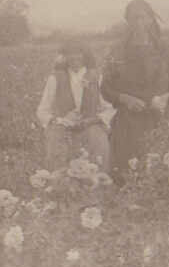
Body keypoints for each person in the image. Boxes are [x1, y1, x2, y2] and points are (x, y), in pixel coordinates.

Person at [100, 0, 169, 182]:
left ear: (151, 19)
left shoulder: (165, 49)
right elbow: (105, 87)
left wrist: (166, 97)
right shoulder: (117, 51)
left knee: (164, 172)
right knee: (127, 175)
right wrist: (124, 98)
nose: (138, 23)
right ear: (127, 21)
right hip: (129, 122)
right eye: (133, 19)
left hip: (160, 117)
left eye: (142, 17)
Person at [35, 40, 115, 171]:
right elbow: (42, 110)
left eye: (78, 53)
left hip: (90, 124)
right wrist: (59, 120)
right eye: (70, 53)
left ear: (85, 55)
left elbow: (110, 107)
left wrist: (93, 120)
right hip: (64, 126)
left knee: (98, 148)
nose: (74, 57)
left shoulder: (96, 77)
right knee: (56, 149)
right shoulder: (55, 78)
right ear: (64, 57)